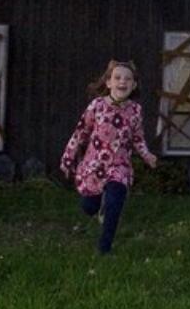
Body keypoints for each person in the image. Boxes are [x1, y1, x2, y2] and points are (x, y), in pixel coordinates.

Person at [60, 59, 158, 254]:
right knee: (89, 207)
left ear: (134, 85)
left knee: (116, 200)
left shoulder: (135, 111)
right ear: (109, 83)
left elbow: (138, 138)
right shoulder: (96, 105)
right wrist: (68, 157)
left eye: (128, 79)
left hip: (119, 165)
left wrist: (147, 155)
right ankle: (98, 206)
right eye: (118, 78)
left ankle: (104, 249)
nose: (123, 82)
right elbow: (81, 133)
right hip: (94, 165)